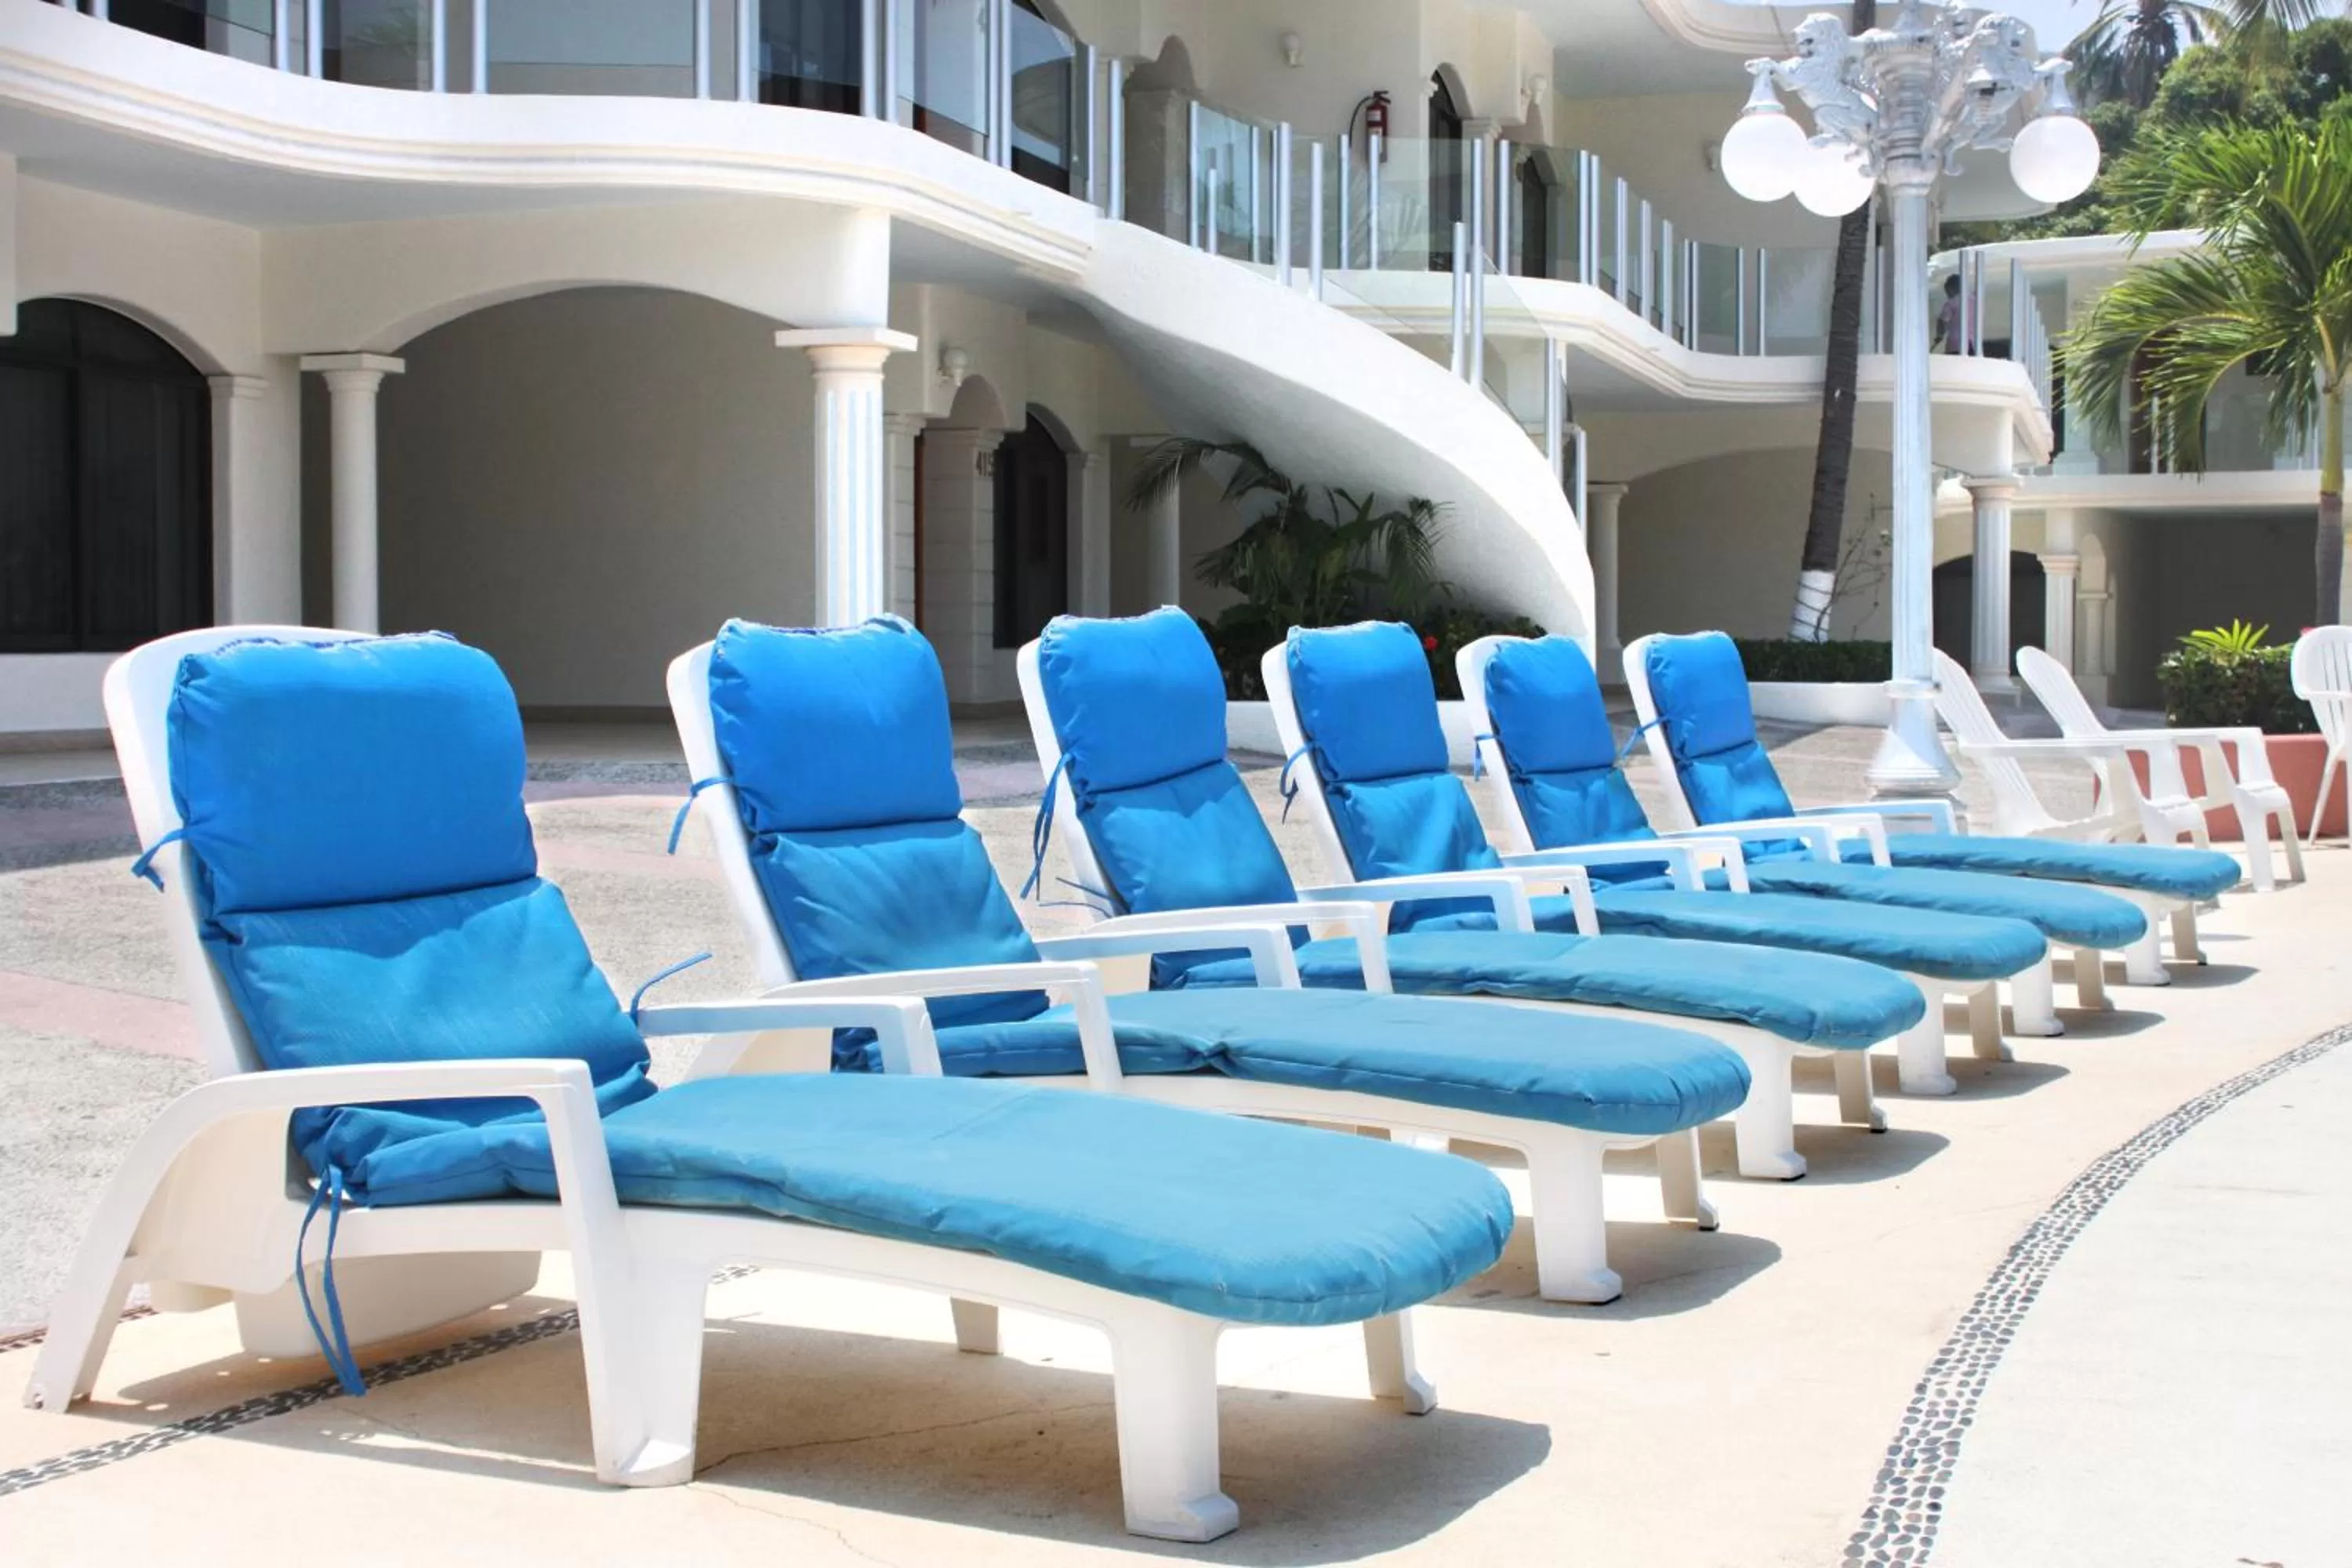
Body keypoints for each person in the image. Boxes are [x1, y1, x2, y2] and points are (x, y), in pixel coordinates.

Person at [1936, 273, 1963, 353]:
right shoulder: (1975, 301)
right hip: (1973, 345)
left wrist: (1939, 336)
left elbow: (1942, 322)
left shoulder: (1951, 303)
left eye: (1947, 292)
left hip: (1955, 346)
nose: (1947, 296)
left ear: (1951, 289)